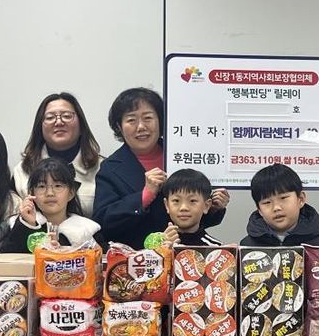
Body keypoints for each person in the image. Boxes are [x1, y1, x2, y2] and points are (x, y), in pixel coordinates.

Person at [93, 88, 229, 249]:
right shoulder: (110, 168)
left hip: (186, 254)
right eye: (131, 120)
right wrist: (145, 196)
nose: (141, 126)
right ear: (119, 126)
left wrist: (213, 207)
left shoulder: (182, 156)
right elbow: (103, 223)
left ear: (161, 120)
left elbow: (196, 216)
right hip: (136, 256)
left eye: (148, 118)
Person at [12, 92, 103, 216]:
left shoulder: (102, 168)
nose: (59, 122)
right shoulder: (22, 170)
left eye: (67, 116)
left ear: (81, 125)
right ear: (40, 127)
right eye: (50, 117)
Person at [0, 158, 101, 253]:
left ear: (71, 193)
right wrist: (28, 225)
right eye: (41, 186)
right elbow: (6, 258)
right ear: (32, 193)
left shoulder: (87, 229)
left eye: (58, 186)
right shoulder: (18, 225)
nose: (50, 193)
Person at [240, 163, 319, 247]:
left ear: (301, 199)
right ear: (259, 210)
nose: (276, 208)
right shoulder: (247, 246)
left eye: (283, 198)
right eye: (267, 202)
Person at [160, 169, 222, 246]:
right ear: (167, 205)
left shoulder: (215, 248)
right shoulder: (154, 248)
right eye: (176, 200)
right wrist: (163, 250)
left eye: (192, 201)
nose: (183, 208)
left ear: (206, 206)